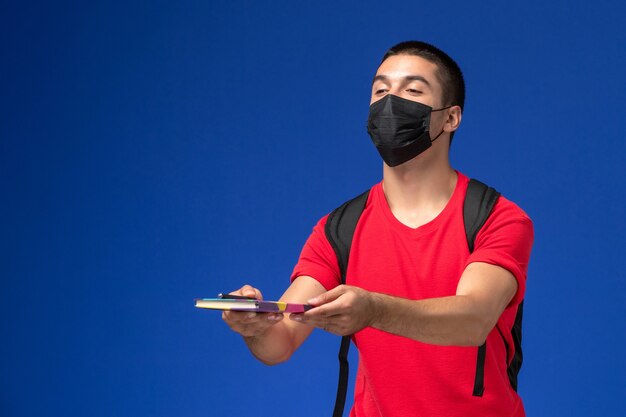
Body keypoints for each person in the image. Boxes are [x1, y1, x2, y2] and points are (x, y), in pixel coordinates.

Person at [222, 41, 534, 417]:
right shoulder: (339, 229)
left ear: (451, 118)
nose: (390, 103)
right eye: (381, 90)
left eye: (413, 90)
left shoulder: (496, 217)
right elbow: (281, 342)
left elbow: (473, 319)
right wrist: (255, 328)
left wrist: (373, 311)